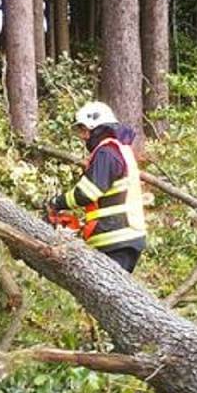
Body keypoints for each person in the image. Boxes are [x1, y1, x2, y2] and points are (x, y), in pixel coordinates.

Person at [46, 101, 147, 273]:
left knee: (110, 295)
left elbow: (87, 193)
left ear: (97, 128)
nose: (84, 137)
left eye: (85, 130)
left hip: (117, 239)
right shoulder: (117, 150)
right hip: (119, 235)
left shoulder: (106, 152)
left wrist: (57, 202)